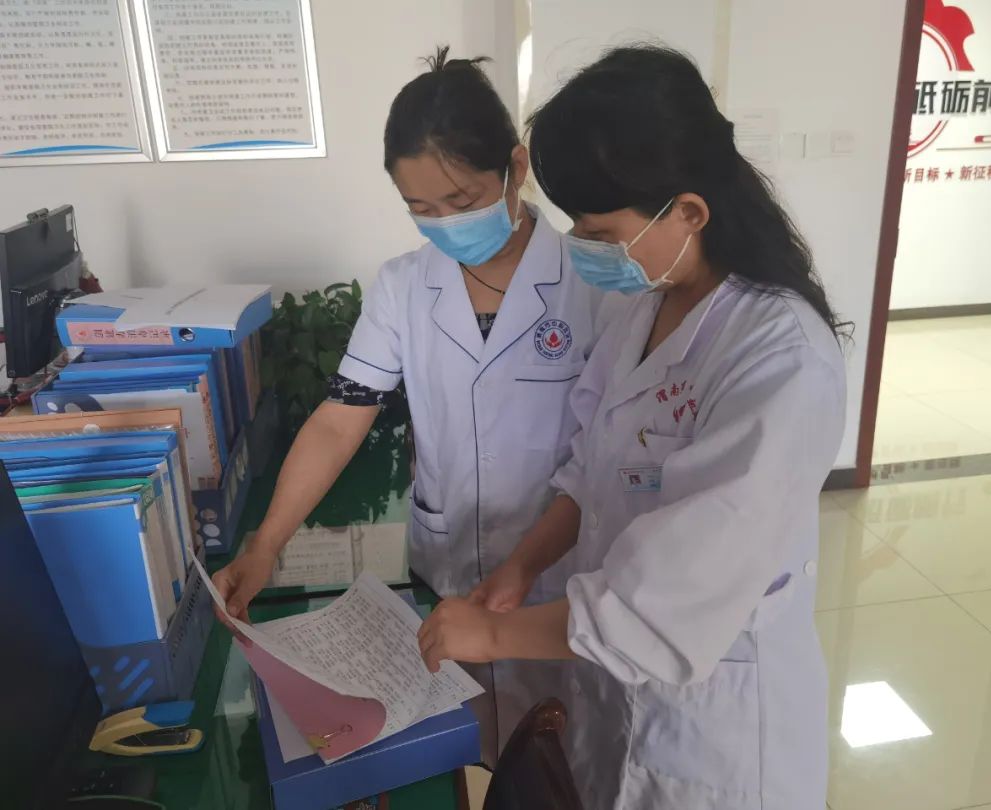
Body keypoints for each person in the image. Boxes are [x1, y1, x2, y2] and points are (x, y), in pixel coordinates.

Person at [417, 45, 848, 809]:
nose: (583, 242)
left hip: (713, 733)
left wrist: (490, 638)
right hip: (613, 691)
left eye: (599, 226)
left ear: (689, 212)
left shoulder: (780, 358)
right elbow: (590, 467)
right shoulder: (642, 308)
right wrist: (524, 565)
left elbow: (672, 598)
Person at [212, 47, 607, 763]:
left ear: (516, 169)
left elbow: (602, 457)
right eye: (422, 210)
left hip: (556, 578)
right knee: (459, 747)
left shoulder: (592, 283)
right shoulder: (402, 287)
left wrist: (524, 567)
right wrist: (265, 544)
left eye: (461, 201)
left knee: (554, 758)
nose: (445, 224)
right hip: (447, 566)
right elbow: (340, 420)